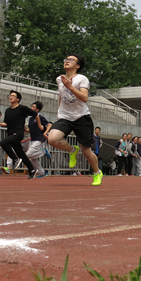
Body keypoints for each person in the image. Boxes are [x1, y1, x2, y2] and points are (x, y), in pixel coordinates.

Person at [47, 55, 103, 185]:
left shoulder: (81, 79)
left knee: (87, 151)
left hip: (81, 117)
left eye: (71, 60)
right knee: (52, 139)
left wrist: (71, 87)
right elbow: (62, 95)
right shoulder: (59, 79)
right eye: (65, 59)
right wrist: (59, 112)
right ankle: (72, 150)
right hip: (65, 117)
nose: (67, 61)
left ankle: (97, 172)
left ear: (77, 66)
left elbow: (84, 98)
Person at [0, 90, 43, 179]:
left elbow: (35, 114)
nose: (10, 97)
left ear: (18, 99)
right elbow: (6, 123)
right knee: (21, 154)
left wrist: (39, 124)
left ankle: (14, 159)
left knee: (3, 143)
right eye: (10, 95)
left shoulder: (22, 108)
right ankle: (32, 169)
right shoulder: (8, 110)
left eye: (13, 96)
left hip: (18, 133)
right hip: (11, 133)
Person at [25, 101, 52, 178]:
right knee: (33, 159)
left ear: (37, 110)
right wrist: (25, 130)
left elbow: (49, 125)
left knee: (28, 155)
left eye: (33, 107)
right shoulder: (30, 119)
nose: (31, 108)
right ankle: (42, 173)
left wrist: (45, 133)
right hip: (32, 139)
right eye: (31, 106)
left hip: (39, 139)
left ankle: (43, 151)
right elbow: (30, 129)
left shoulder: (40, 117)